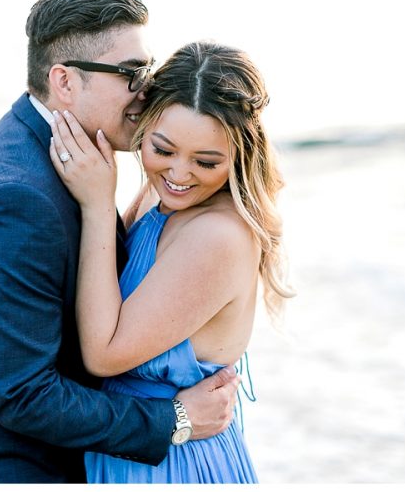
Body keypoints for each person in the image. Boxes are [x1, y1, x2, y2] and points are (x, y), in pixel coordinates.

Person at [0, 0, 242, 483]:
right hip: (10, 470)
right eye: (132, 74)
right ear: (64, 82)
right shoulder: (15, 197)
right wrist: (174, 419)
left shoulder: (69, 155)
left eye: (147, 72)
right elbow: (24, 396)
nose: (147, 90)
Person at [48, 40, 295, 483]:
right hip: (133, 443)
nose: (179, 175)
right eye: (163, 150)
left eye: (206, 161)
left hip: (175, 462)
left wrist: (98, 206)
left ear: (240, 155)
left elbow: (104, 355)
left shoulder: (217, 236)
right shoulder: (155, 200)